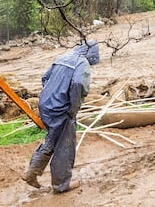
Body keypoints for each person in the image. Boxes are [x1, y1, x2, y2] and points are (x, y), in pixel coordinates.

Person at [23, 39, 100, 193]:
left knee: (52, 138)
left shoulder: (63, 57)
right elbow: (78, 84)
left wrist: (51, 94)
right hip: (61, 110)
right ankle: (61, 185)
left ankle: (32, 171)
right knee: (64, 146)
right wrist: (73, 108)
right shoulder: (82, 63)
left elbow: (45, 78)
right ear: (91, 54)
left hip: (46, 105)